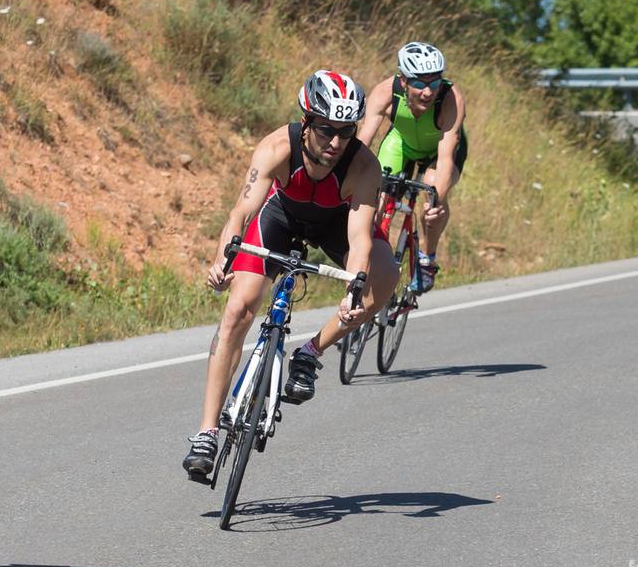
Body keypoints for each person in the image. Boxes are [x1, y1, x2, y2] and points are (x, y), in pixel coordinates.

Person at [182, 71, 398, 480]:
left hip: (337, 222)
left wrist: (354, 289)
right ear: (307, 121)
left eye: (347, 132)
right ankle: (206, 432)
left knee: (385, 276)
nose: (336, 143)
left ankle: (310, 354)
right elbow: (241, 212)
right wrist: (222, 259)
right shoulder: (278, 146)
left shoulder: (364, 166)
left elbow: (359, 239)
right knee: (238, 311)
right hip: (282, 216)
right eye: (326, 130)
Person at [357, 41, 467, 293]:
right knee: (375, 195)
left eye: (435, 82)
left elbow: (446, 156)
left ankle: (427, 259)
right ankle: (369, 258)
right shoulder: (385, 93)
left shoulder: (451, 99)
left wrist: (436, 201)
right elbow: (362, 145)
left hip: (438, 153)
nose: (428, 92)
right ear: (403, 81)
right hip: (402, 145)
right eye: (419, 83)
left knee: (432, 190)